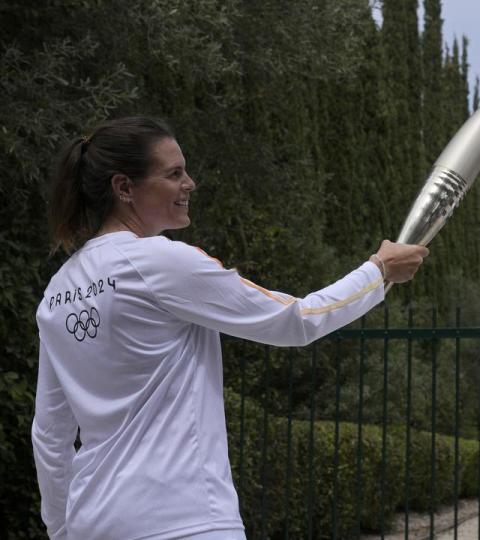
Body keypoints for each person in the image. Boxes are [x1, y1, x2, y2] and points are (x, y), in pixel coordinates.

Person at [31, 116, 428, 539]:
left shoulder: (58, 291)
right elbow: (296, 320)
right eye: (174, 174)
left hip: (94, 524)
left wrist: (61, 529)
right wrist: (379, 271)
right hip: (185, 521)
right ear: (124, 188)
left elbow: (50, 435)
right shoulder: (161, 261)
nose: (190, 184)